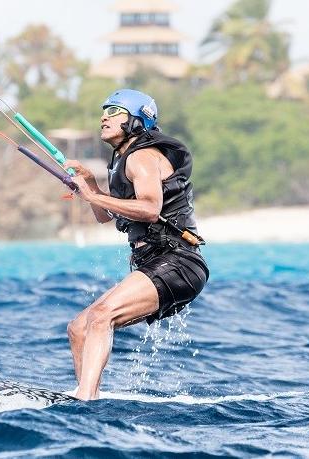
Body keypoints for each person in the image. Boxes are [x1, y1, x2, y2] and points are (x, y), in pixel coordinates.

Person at [64, 89, 209, 400]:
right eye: (104, 110)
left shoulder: (143, 157)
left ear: (136, 120)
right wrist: (90, 184)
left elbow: (150, 209)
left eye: (114, 111)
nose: (104, 116)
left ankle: (85, 397)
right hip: (157, 262)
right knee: (79, 328)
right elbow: (104, 215)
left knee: (102, 315)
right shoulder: (122, 161)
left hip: (179, 261)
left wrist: (92, 196)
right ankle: (87, 397)